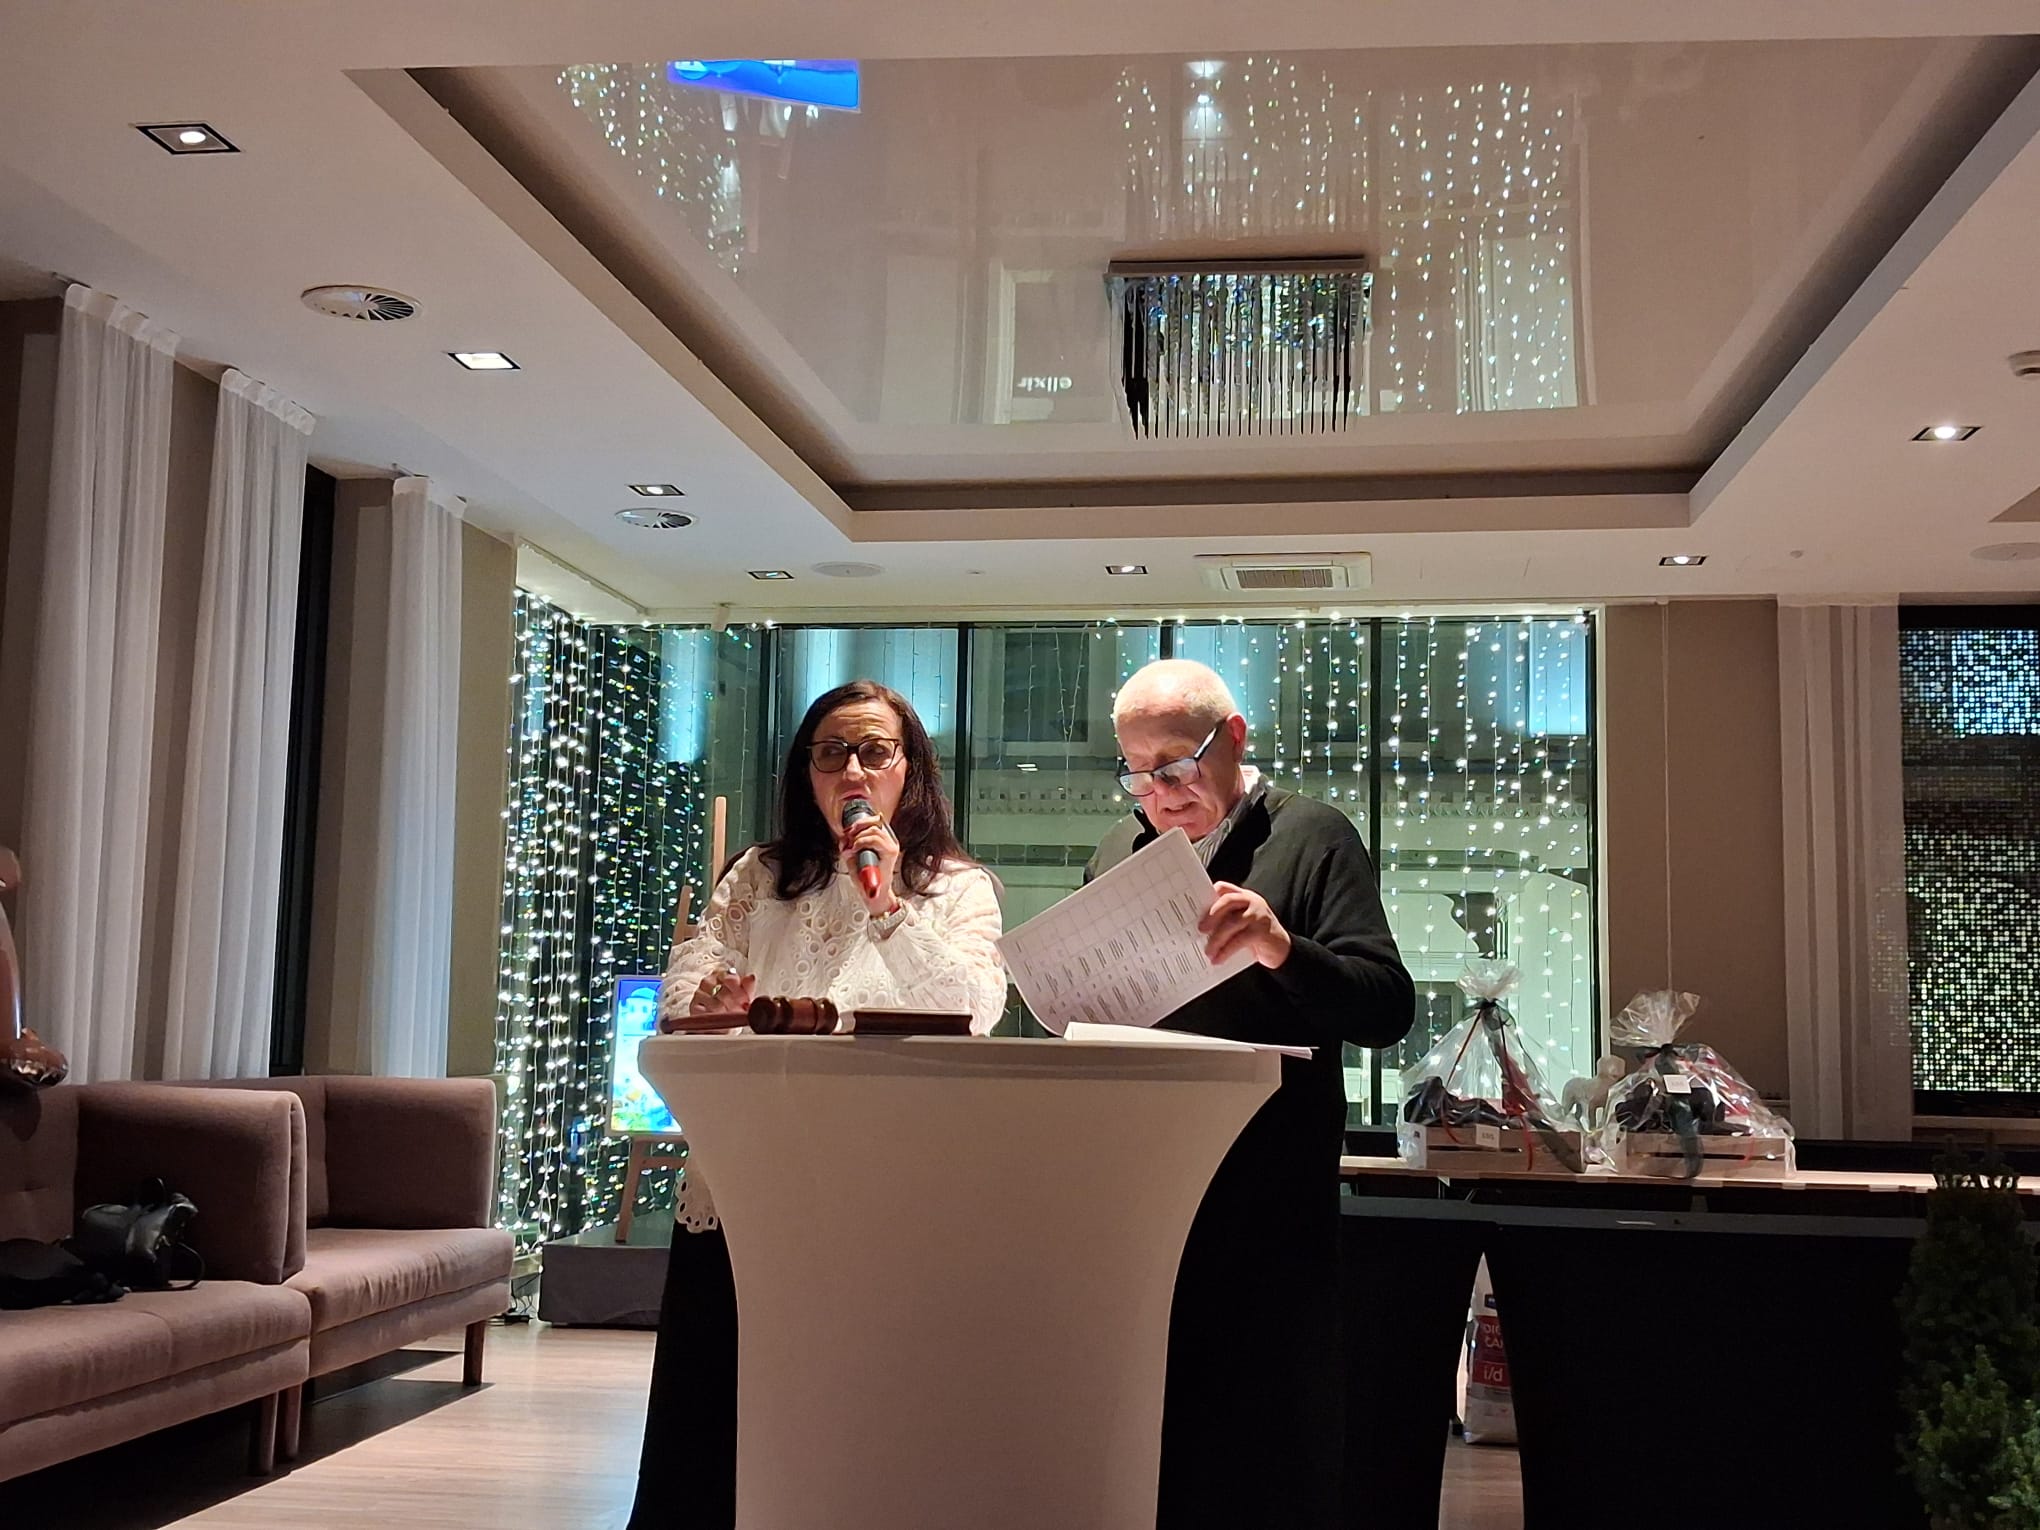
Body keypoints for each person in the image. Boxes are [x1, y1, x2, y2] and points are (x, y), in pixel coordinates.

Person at [629, 679, 1006, 1530]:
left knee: (858, 1424)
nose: (853, 771)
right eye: (832, 752)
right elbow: (682, 995)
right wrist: (712, 998)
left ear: (911, 769)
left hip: (881, 1195)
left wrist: (887, 905)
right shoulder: (760, 876)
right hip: (745, 1180)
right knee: (716, 1422)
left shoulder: (958, 888)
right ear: (806, 771)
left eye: (875, 750)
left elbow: (972, 1009)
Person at [1088, 658, 1414, 1530]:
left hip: (1267, 1204)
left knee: (1267, 1441)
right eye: (1137, 773)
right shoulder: (1121, 852)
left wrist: (1283, 949)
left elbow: (1387, 1008)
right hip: (1142, 1196)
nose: (1158, 796)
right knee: (1151, 1440)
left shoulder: (1311, 836)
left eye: (1175, 768)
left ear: (1232, 737)